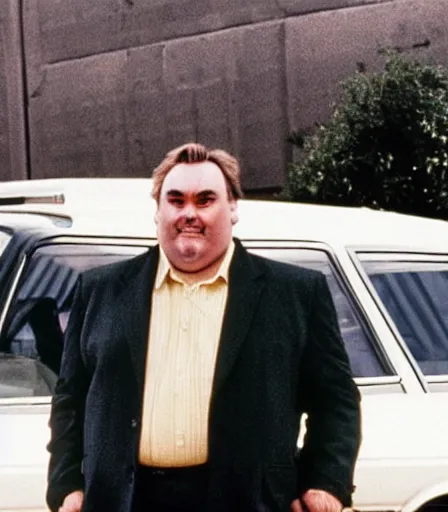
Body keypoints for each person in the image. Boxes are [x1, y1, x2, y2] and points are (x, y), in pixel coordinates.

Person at [46, 142, 361, 512]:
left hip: (248, 501)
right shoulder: (100, 291)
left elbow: (335, 400)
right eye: (176, 201)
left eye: (205, 200)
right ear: (158, 211)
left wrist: (325, 483)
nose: (189, 213)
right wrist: (66, 485)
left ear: (233, 208)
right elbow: (70, 399)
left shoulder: (295, 294)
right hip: (124, 501)